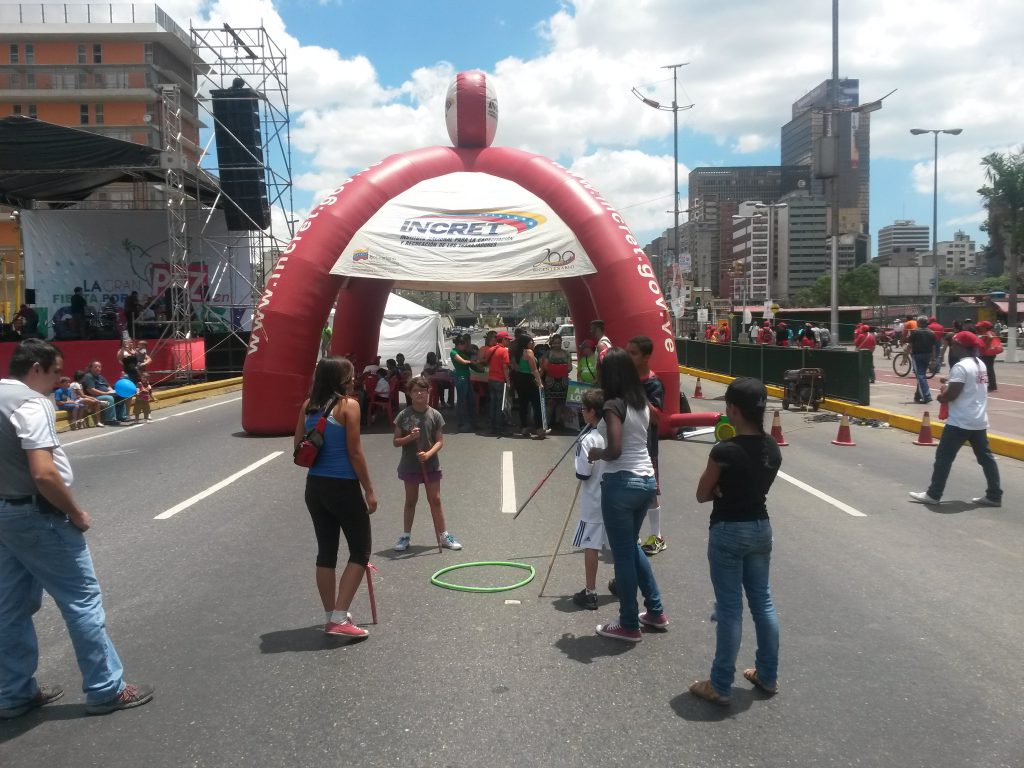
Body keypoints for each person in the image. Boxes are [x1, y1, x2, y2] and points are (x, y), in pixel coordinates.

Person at [0, 339, 154, 717]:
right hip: (40, 515)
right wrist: (75, 512)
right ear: (36, 368)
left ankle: (12, 692)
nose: (58, 381)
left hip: (5, 515)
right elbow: (44, 473)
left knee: (10, 607)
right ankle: (106, 688)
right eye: (55, 372)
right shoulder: (32, 403)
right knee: (81, 601)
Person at [690, 377, 782, 706]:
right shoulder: (772, 448)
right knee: (763, 604)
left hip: (729, 529)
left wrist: (719, 489)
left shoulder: (724, 451)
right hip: (760, 528)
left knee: (730, 610)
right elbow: (756, 487)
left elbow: (702, 493)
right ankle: (767, 675)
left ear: (733, 409)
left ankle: (720, 684)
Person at [294, 356, 378, 639]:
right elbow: (355, 452)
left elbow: (298, 445)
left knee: (326, 552)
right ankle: (340, 618)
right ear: (340, 378)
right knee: (360, 550)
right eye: (350, 374)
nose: (353, 379)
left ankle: (331, 614)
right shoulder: (348, 406)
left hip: (315, 487)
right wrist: (369, 490)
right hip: (343, 487)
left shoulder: (308, 406)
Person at [587, 348, 666, 642]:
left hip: (621, 483)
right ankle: (655, 611)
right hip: (646, 481)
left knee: (622, 556)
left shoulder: (613, 405)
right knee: (631, 548)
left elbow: (616, 449)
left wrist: (597, 453)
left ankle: (629, 623)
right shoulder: (641, 402)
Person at [909, 332, 1001, 507]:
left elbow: (952, 394)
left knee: (943, 458)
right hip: (979, 420)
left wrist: (941, 396)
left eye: (954, 344)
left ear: (960, 346)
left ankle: (933, 494)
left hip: (960, 421)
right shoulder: (980, 363)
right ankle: (994, 495)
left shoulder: (961, 366)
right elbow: (970, 385)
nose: (952, 347)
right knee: (986, 458)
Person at [392, 376, 461, 552]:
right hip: (410, 465)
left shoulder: (435, 414)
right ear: (409, 394)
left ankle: (444, 535)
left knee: (435, 500)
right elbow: (396, 442)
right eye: (415, 391)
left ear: (428, 392)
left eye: (422, 390)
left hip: (430, 465)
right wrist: (410, 437)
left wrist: (428, 454)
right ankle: (405, 536)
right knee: (411, 500)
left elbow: (440, 441)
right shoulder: (404, 415)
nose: (419, 394)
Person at [626, 336, 666, 557]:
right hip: (626, 444)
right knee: (628, 488)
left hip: (646, 446)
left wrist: (638, 394)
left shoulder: (653, 384)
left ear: (646, 357)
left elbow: (657, 417)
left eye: (633, 353)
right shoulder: (625, 379)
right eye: (627, 352)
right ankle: (633, 534)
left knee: (650, 490)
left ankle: (657, 536)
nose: (628, 357)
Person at [571, 388, 607, 611]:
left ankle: (591, 592)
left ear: (593, 412)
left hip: (593, 501)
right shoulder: (614, 433)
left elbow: (583, 473)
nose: (581, 412)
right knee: (619, 544)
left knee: (591, 545)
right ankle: (623, 584)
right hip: (614, 499)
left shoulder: (587, 439)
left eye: (583, 409)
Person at [510, 334, 545, 439]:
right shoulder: (529, 352)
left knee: (523, 405)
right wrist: (539, 382)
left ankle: (524, 427)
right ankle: (539, 429)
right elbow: (534, 370)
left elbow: (514, 367)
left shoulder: (515, 353)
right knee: (537, 405)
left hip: (520, 380)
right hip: (530, 380)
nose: (533, 343)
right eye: (531, 341)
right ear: (525, 343)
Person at [481, 331, 511, 436]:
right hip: (500, 380)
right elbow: (505, 368)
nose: (509, 342)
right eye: (507, 339)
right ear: (503, 340)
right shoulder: (504, 351)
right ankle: (499, 428)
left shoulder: (490, 350)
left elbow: (485, 361)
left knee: (492, 404)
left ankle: (492, 427)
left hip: (491, 379)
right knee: (500, 405)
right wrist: (508, 381)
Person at [541, 333, 572, 431]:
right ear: (552, 343)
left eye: (559, 342)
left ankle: (557, 421)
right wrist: (555, 370)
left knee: (561, 402)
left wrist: (561, 370)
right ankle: (548, 422)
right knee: (550, 402)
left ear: (561, 343)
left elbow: (570, 367)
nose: (557, 345)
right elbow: (545, 366)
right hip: (551, 381)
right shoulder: (548, 353)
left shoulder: (566, 353)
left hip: (563, 381)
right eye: (555, 343)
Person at [450, 335, 477, 432]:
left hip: (466, 377)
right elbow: (463, 362)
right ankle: (462, 423)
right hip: (461, 378)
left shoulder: (462, 352)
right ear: (459, 344)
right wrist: (473, 362)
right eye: (464, 345)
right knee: (462, 402)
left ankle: (472, 423)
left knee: (471, 401)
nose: (465, 346)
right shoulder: (454, 352)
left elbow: (471, 356)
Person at [908, 315, 936, 404]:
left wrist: (905, 356)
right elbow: (933, 347)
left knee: (920, 376)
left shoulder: (915, 332)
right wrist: (933, 359)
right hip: (927, 355)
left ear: (919, 323)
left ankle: (926, 396)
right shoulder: (931, 332)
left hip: (917, 355)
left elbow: (910, 345)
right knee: (921, 375)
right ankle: (918, 395)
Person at [976, 321, 1000, 392]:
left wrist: (984, 346)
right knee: (988, 370)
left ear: (985, 327)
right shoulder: (988, 332)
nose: (979, 328)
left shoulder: (988, 333)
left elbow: (990, 337)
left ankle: (987, 386)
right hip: (989, 354)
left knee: (984, 369)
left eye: (981, 326)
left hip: (987, 355)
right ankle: (990, 385)